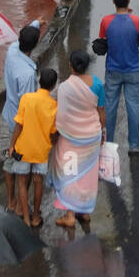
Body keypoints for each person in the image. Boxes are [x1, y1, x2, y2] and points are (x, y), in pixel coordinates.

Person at [50, 49, 105, 228]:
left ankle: (70, 215)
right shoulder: (97, 84)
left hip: (69, 137)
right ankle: (85, 212)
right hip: (92, 137)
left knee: (69, 173)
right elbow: (101, 112)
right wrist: (102, 132)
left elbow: (61, 113)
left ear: (70, 65)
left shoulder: (64, 87)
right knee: (88, 175)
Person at [97, 0, 139, 156]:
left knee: (110, 107)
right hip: (133, 69)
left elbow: (105, 39)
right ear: (129, 0)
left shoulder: (106, 21)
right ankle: (134, 144)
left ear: (113, 1)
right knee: (132, 106)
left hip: (113, 70)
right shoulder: (138, 21)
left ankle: (108, 144)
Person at [8, 67, 58, 227]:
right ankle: (36, 216)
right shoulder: (53, 105)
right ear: (53, 86)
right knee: (38, 182)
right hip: (41, 151)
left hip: (23, 149)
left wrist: (12, 146)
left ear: (39, 81)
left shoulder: (26, 99)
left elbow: (18, 125)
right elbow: (53, 133)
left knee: (22, 182)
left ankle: (26, 219)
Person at [2, 19, 41, 213]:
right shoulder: (26, 74)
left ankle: (11, 200)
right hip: (20, 122)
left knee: (11, 159)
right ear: (34, 45)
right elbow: (26, 107)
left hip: (10, 113)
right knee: (20, 164)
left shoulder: (11, 52)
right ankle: (18, 205)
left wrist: (35, 23)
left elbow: (20, 38)